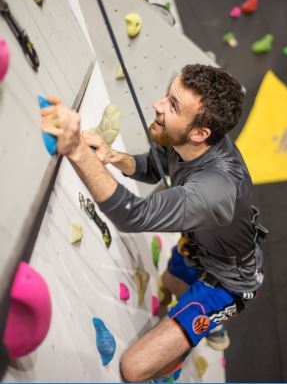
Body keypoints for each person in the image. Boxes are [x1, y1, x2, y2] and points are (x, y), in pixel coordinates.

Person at [41, 63, 265, 382]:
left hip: (229, 281)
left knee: (133, 369)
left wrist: (77, 150)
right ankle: (203, 321)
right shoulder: (191, 140)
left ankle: (190, 344)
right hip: (201, 246)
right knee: (171, 284)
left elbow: (134, 215)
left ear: (201, 133)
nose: (157, 105)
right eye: (167, 95)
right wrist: (114, 156)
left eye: (172, 105)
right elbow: (156, 166)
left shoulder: (216, 189)